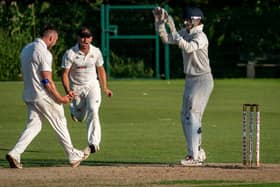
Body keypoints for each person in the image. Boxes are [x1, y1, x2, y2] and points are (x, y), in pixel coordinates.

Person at [6, 26, 89, 169]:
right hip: (43, 95)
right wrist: (60, 99)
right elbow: (47, 81)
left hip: (29, 94)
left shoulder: (26, 49)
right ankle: (72, 155)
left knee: (34, 126)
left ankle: (15, 153)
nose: (54, 43)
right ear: (50, 38)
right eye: (55, 40)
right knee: (60, 121)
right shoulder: (44, 52)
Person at [153, 6, 214, 166]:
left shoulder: (201, 36)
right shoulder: (185, 33)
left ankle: (193, 157)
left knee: (193, 114)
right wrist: (160, 23)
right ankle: (197, 151)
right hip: (190, 79)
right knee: (185, 116)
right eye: (185, 20)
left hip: (203, 79)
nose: (185, 22)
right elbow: (166, 39)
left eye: (188, 20)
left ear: (196, 20)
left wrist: (172, 26)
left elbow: (188, 47)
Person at [61, 26, 113, 155]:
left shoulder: (96, 52)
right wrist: (68, 90)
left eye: (88, 36)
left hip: (92, 86)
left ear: (91, 38)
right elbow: (64, 74)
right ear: (78, 38)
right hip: (76, 88)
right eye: (82, 36)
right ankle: (75, 112)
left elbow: (101, 70)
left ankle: (94, 143)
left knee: (93, 111)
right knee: (79, 118)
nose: (85, 39)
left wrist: (104, 87)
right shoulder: (70, 53)